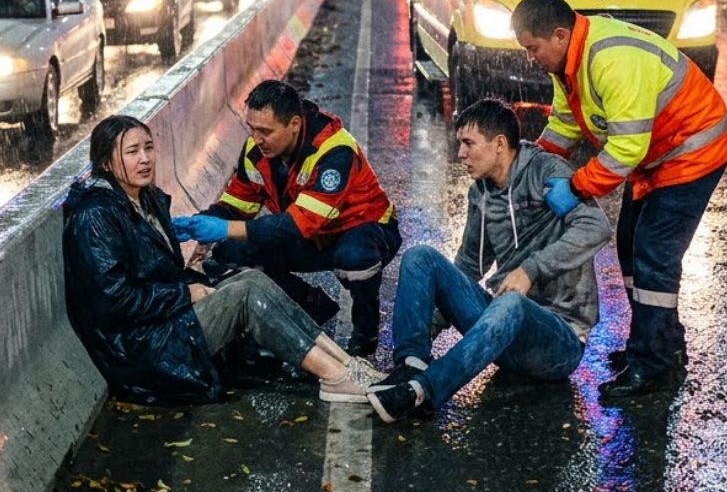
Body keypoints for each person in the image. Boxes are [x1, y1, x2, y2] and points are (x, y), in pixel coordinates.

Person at [62, 115, 384, 406]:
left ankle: (344, 365)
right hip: (142, 348)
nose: (145, 159)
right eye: (132, 152)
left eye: (149, 147)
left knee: (251, 280)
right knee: (244, 296)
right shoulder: (95, 216)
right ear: (105, 162)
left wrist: (195, 280)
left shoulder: (145, 199)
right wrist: (187, 293)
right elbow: (113, 302)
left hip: (163, 323)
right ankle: (332, 376)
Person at [512, 0, 727, 399]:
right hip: (659, 158)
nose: (531, 57)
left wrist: (575, 187)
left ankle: (652, 367)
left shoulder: (610, 58)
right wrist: (531, 164)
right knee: (631, 247)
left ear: (559, 35)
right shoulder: (569, 63)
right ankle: (658, 345)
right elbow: (565, 124)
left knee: (653, 254)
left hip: (693, 153)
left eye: (533, 48)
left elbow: (625, 150)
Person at [366, 98, 611, 423]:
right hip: (504, 330)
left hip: (559, 340)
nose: (461, 154)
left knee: (511, 303)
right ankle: (410, 367)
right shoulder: (480, 192)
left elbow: (597, 227)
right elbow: (468, 267)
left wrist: (531, 269)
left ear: (499, 144)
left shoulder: (545, 170)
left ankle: (423, 392)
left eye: (468, 144)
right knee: (420, 257)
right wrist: (430, 324)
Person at [172, 80, 400, 357]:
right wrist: (201, 221)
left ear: (293, 124)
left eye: (265, 131)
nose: (256, 138)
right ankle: (309, 307)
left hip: (360, 230)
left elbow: (299, 223)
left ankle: (366, 331)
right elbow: (237, 204)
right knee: (229, 253)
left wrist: (224, 227)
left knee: (356, 258)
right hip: (308, 234)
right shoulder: (256, 152)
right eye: (251, 129)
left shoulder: (334, 150)